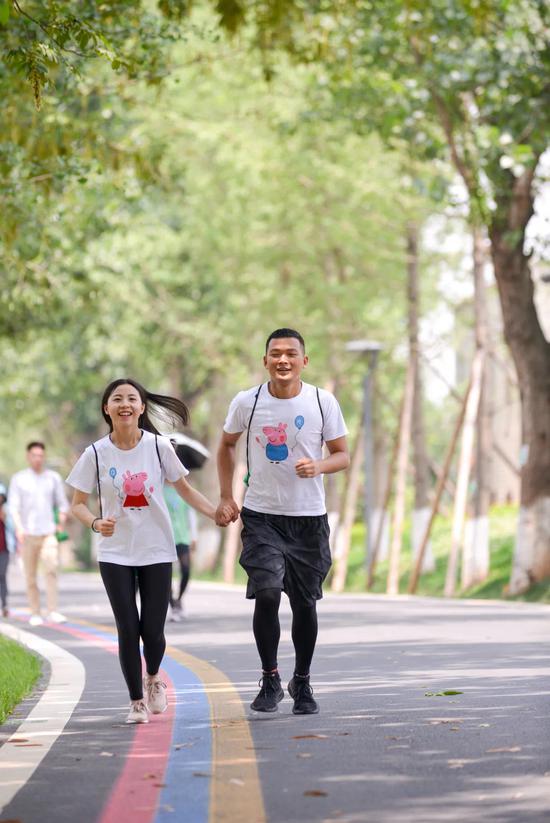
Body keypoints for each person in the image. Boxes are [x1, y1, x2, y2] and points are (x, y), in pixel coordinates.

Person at [67, 379, 234, 725]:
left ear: (142, 407)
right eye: (117, 399)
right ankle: (136, 702)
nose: (125, 404)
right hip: (115, 553)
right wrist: (97, 524)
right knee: (127, 628)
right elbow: (78, 504)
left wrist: (215, 511)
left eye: (132, 399)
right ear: (106, 408)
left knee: (152, 631)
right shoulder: (95, 453)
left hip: (157, 548)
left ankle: (153, 676)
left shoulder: (159, 447)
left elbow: (185, 490)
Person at [216, 328, 350, 715]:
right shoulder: (249, 402)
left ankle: (302, 681)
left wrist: (319, 465)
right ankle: (271, 677)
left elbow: (342, 454)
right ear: (265, 361)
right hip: (261, 516)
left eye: (291, 353)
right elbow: (226, 444)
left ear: (304, 361)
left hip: (308, 518)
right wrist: (227, 496)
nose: (283, 360)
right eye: (275, 353)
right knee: (268, 593)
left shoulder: (323, 402)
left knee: (305, 604)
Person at [8, 442, 70, 626]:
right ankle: (35, 612)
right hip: (28, 534)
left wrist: (61, 522)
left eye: (41, 455)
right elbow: (13, 507)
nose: (38, 458)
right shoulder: (19, 479)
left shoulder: (53, 478)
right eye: (34, 455)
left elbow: (62, 503)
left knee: (51, 569)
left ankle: (52, 610)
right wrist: (18, 528)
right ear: (28, 456)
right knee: (30, 575)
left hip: (49, 533)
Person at [163, 477, 197, 621]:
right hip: (164, 538)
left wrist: (194, 536)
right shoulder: (159, 489)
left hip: (182, 537)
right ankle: (173, 606)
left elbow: (191, 514)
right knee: (166, 575)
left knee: (186, 570)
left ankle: (179, 599)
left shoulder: (183, 488)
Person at [0, 483, 16, 618]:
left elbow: (12, 530)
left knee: (2, 576)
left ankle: (4, 605)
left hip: (4, 550)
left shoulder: (6, 511)